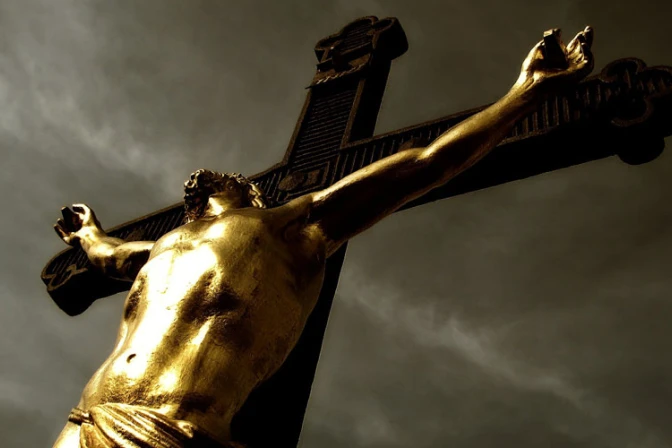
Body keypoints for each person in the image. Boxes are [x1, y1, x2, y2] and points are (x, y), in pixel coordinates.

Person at [52, 27, 594, 448]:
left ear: (250, 191)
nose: (199, 186)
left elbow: (424, 164)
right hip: (84, 422)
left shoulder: (288, 226)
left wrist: (525, 94)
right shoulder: (164, 245)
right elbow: (109, 257)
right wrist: (87, 234)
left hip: (173, 430)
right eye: (195, 191)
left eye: (216, 181)